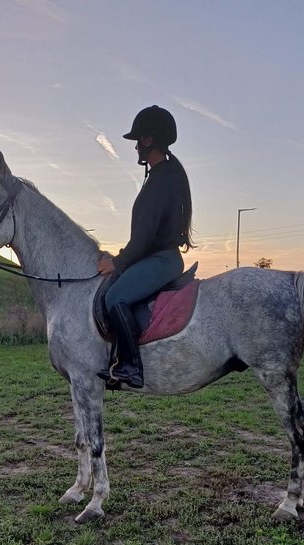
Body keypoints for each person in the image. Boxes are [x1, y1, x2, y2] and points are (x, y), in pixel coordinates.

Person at [97, 105, 195, 388]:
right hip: (158, 256)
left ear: (148, 140)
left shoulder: (162, 179)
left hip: (161, 259)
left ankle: (131, 367)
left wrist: (117, 261)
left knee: (115, 297)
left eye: (138, 140)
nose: (136, 147)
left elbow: (145, 236)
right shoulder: (163, 175)